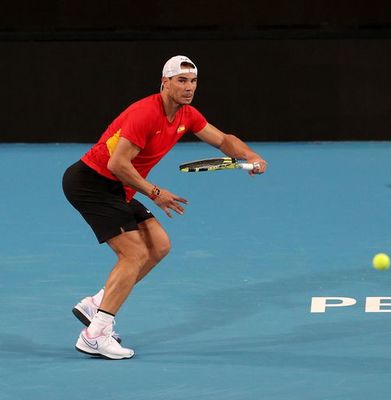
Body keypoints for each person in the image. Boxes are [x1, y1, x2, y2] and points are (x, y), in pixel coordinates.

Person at [62, 55, 267, 360]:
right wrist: (156, 192)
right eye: (181, 81)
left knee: (159, 245)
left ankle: (97, 303)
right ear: (165, 83)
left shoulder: (188, 115)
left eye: (193, 81)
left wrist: (252, 156)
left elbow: (224, 140)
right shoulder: (144, 114)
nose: (189, 87)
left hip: (119, 187)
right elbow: (117, 163)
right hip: (92, 183)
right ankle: (96, 333)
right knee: (134, 253)